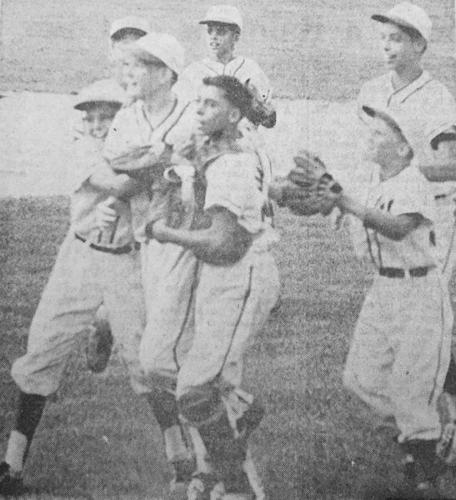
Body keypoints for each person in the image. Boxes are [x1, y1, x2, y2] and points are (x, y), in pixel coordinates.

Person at [0, 80, 153, 496]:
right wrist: (162, 160)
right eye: (92, 117)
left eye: (108, 116)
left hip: (126, 259)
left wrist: (156, 161)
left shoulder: (141, 143)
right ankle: (11, 463)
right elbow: (118, 184)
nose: (98, 124)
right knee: (44, 345)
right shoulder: (80, 146)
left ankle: (182, 460)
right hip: (80, 255)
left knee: (148, 360)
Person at [146, 75, 280, 499]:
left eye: (210, 105)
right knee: (192, 385)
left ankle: (240, 488)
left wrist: (165, 233)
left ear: (235, 115)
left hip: (242, 273)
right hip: (221, 273)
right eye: (198, 104)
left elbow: (223, 244)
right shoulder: (212, 151)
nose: (199, 111)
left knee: (196, 393)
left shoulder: (233, 164)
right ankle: (238, 414)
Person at [320, 105, 452, 494]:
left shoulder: (413, 181)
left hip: (420, 293)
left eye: (381, 134)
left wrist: (345, 202)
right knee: (360, 378)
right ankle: (423, 436)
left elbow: (398, 227)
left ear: (405, 149)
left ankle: (424, 468)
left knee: (412, 389)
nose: (370, 138)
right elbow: (344, 205)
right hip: (383, 291)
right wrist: (320, 192)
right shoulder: (375, 181)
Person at [357, 0, 456, 459]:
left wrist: (409, 178)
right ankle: (429, 417)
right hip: (384, 210)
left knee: (431, 311)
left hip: (432, 216)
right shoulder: (372, 89)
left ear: (419, 44)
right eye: (384, 38)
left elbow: (452, 163)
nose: (387, 46)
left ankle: (433, 422)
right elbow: (366, 155)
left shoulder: (437, 97)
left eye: (397, 38)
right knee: (396, 318)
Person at [176, 4, 276, 130]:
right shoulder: (192, 72)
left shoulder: (250, 69)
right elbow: (178, 117)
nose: (213, 36)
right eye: (210, 31)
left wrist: (258, 105)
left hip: (241, 143)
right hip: (204, 144)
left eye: (221, 31)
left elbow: (269, 121)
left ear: (236, 36)